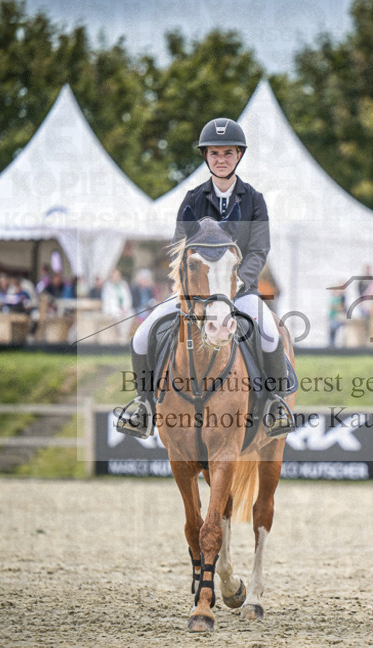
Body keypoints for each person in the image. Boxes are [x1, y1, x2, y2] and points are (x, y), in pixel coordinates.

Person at [118, 117, 294, 439]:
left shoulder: (254, 200)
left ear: (238, 156)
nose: (221, 159)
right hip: (196, 292)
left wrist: (237, 281)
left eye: (228, 153)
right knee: (142, 334)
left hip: (239, 290)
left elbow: (259, 250)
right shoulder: (192, 200)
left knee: (270, 332)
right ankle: (143, 405)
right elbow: (179, 250)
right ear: (206, 157)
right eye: (214, 153)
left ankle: (274, 403)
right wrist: (189, 286)